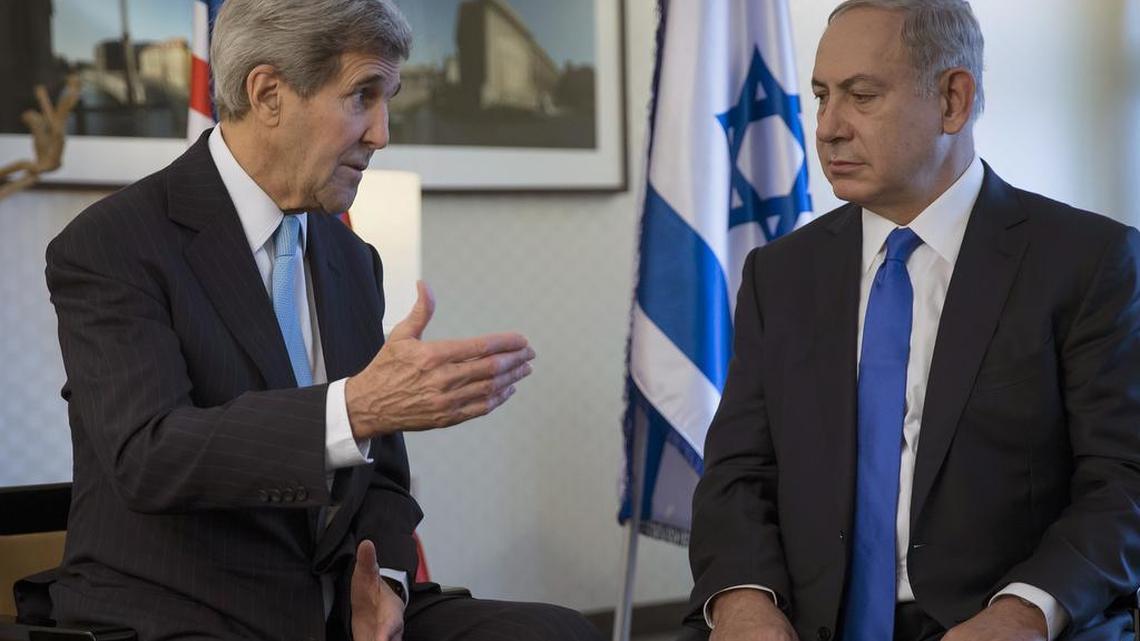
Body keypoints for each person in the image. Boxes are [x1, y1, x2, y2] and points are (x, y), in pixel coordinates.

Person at [43, 1, 602, 640]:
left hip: (337, 612)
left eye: (387, 99)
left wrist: (387, 584)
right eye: (363, 95)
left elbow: (384, 482)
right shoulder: (113, 244)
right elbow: (149, 456)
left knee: (559, 632)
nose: (382, 133)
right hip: (184, 615)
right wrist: (355, 410)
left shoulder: (350, 257)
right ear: (269, 93)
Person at [686, 1, 1140, 640]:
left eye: (861, 96)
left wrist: (1025, 611)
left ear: (954, 100)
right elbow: (737, 473)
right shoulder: (779, 274)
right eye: (820, 97)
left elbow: (1123, 483)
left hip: (1006, 618)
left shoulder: (1087, 262)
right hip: (807, 622)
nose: (828, 128)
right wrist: (743, 603)